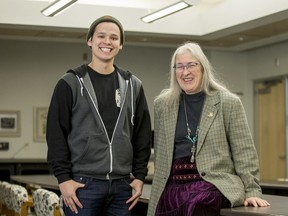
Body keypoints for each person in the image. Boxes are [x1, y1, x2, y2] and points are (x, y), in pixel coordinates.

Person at [147, 42, 270, 216]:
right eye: (179, 66)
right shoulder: (162, 105)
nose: (185, 72)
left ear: (203, 68)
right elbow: (161, 155)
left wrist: (252, 191)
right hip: (174, 184)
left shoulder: (228, 102)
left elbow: (244, 152)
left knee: (198, 203)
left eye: (191, 65)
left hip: (214, 183)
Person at [46, 15, 152, 216]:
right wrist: (63, 179)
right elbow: (55, 133)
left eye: (114, 38)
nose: (107, 42)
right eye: (101, 36)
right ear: (90, 41)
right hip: (82, 185)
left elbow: (142, 135)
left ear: (120, 45)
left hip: (123, 187)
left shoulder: (133, 85)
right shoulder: (70, 83)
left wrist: (139, 176)